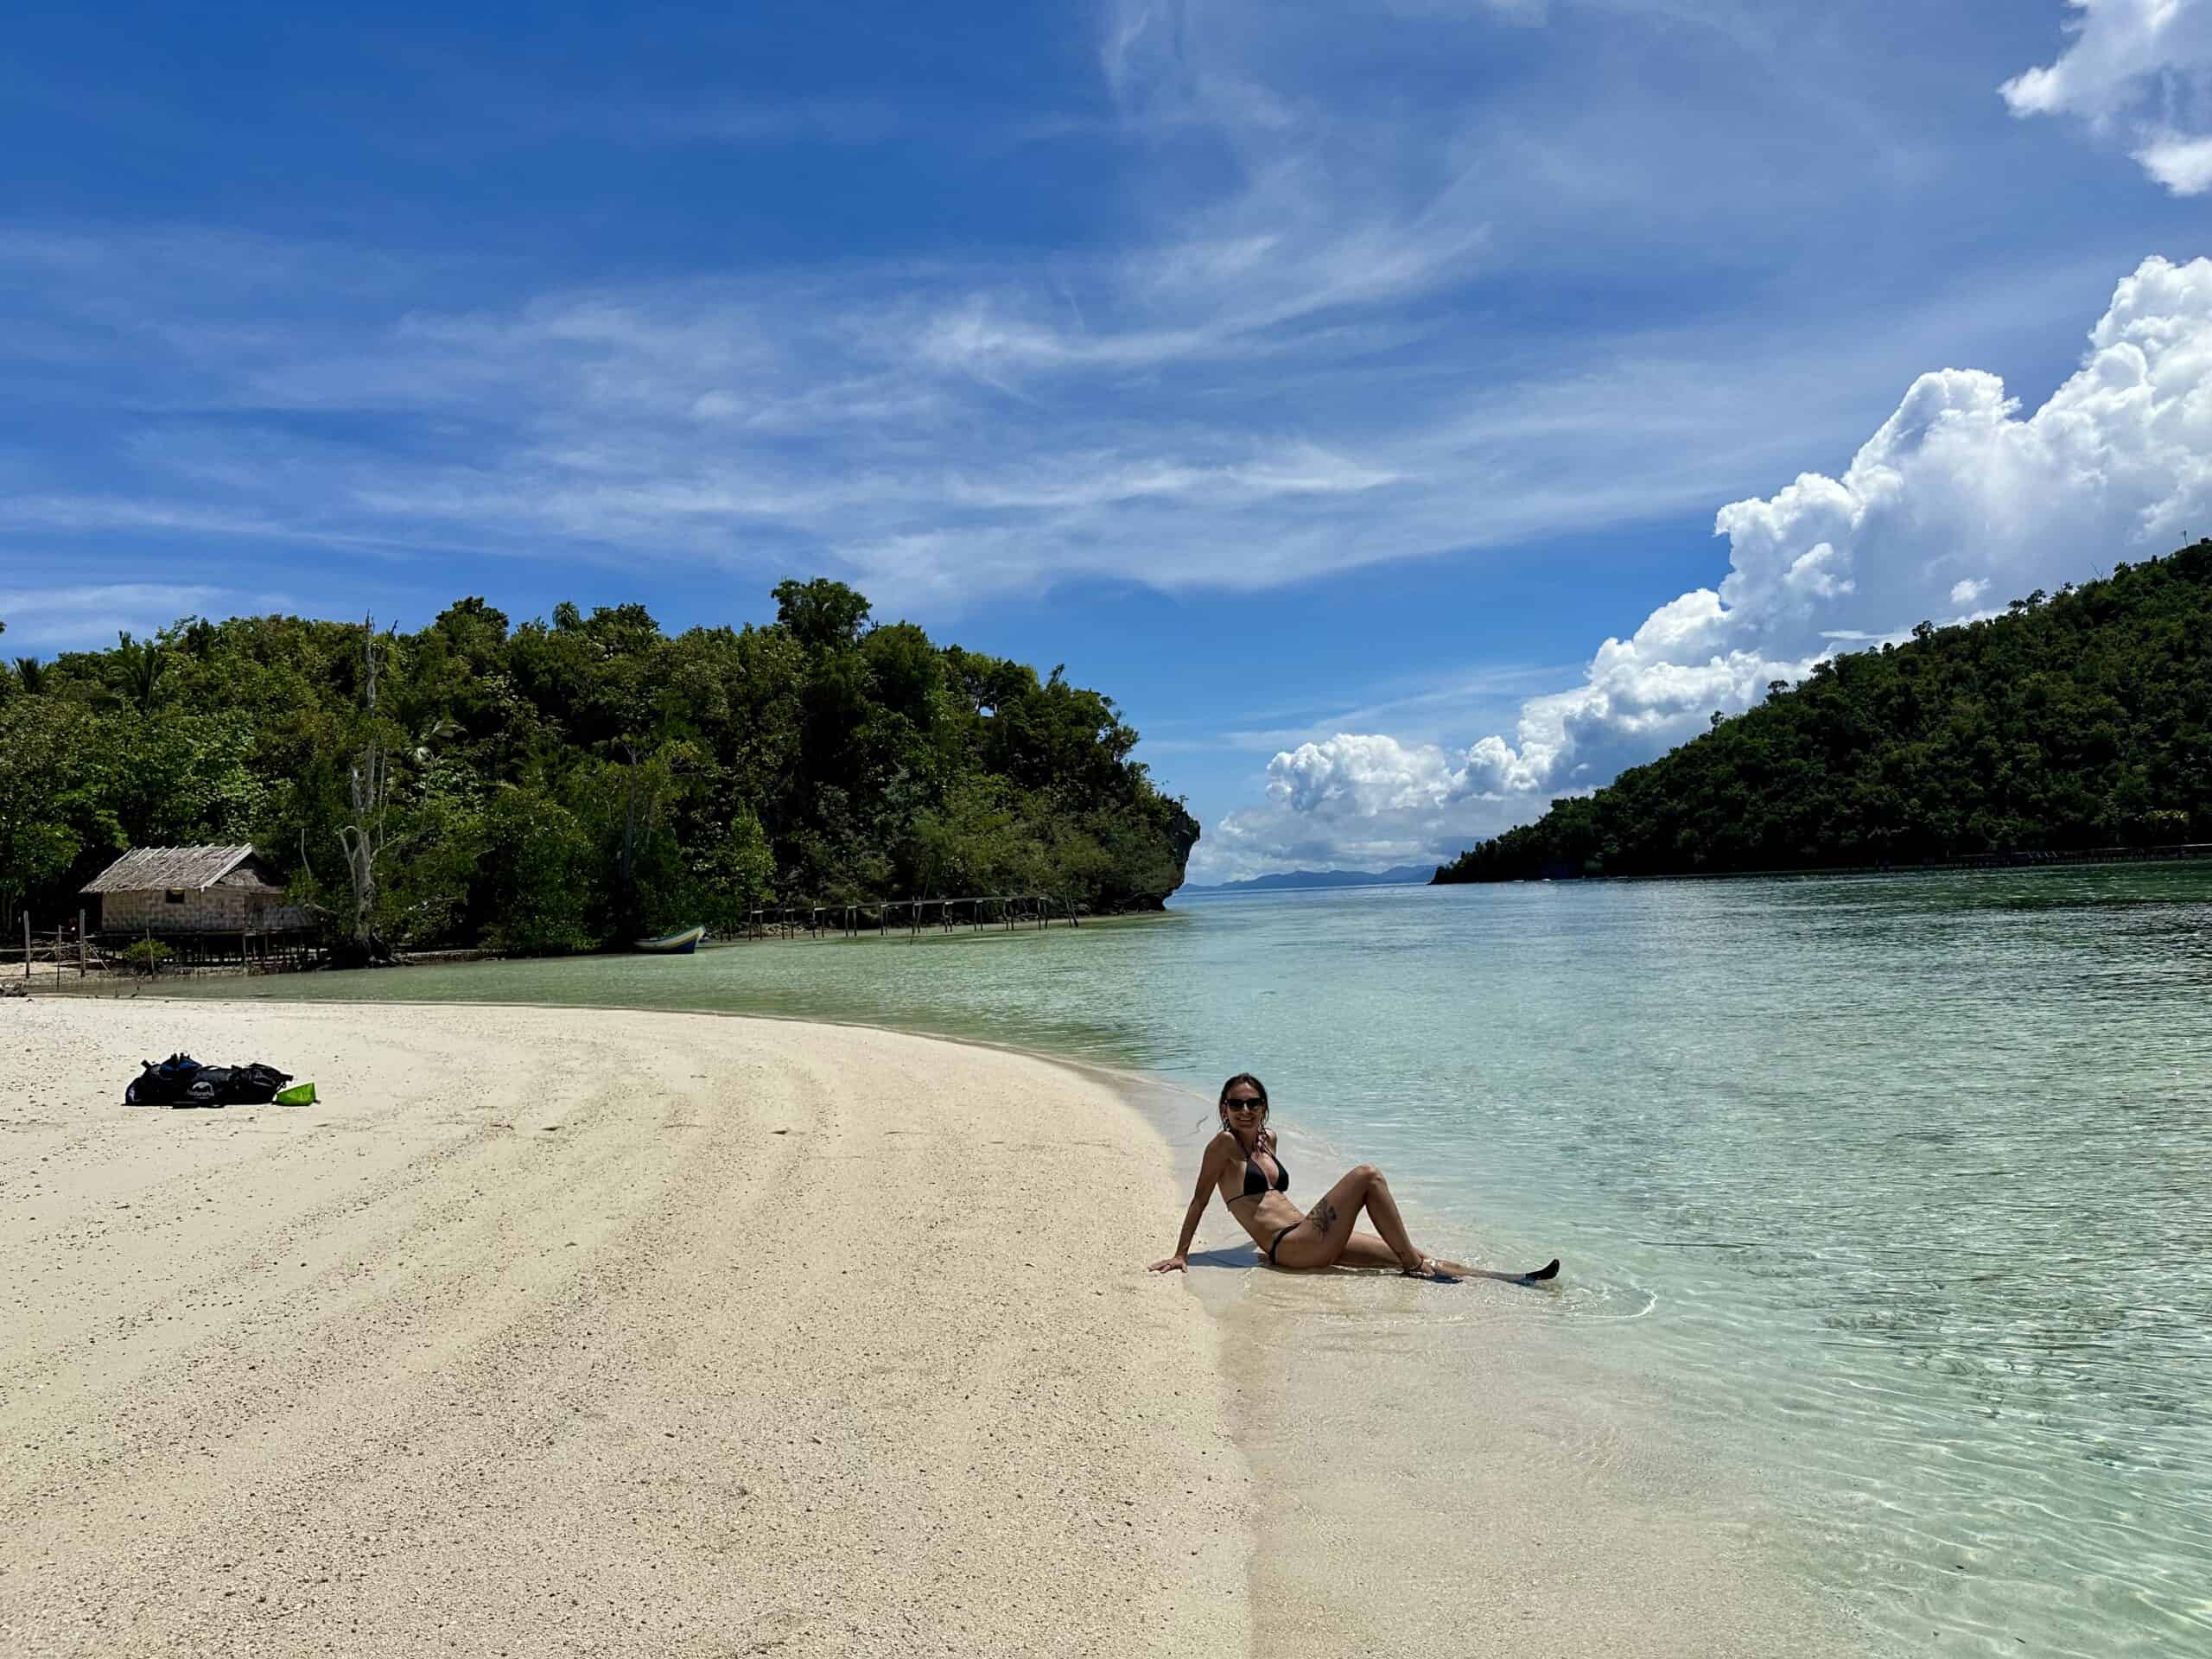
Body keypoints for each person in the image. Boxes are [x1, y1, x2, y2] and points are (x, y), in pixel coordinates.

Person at [1148, 1072, 1560, 1284]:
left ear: (1264, 1107)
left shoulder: (1268, 1139)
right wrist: (1183, 1254)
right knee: (1367, 1176)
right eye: (1236, 1103)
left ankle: (1512, 1279)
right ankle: (1419, 1265)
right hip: (1288, 1248)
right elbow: (1201, 1199)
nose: (1245, 1110)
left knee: (1405, 1255)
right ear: (1223, 1107)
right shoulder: (1221, 1147)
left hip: (1307, 1236)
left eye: (1253, 1102)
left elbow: (1268, 1199)